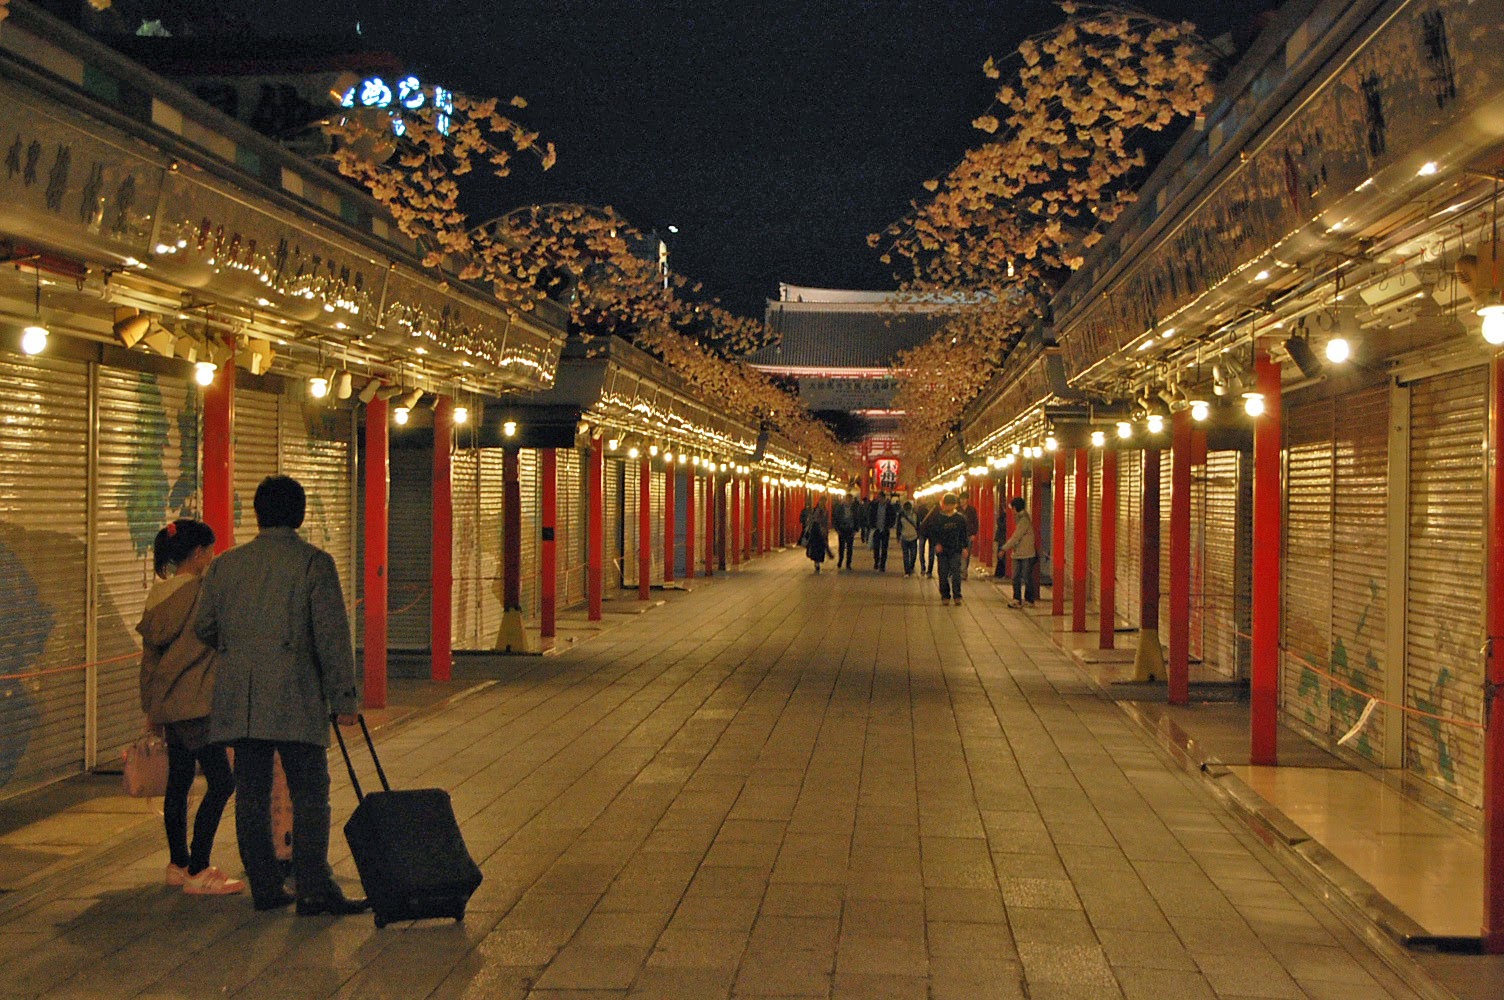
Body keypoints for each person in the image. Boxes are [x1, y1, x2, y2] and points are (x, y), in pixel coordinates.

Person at [194, 475, 368, 916]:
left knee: (251, 793)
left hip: (243, 700)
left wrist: (242, 653)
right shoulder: (313, 563)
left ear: (258, 514)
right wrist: (344, 699)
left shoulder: (226, 566)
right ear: (300, 514)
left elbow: (204, 627)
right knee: (311, 792)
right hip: (296, 695)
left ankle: (266, 888)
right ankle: (313, 885)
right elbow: (331, 636)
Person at [138, 519, 244, 897]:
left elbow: (151, 659)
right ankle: (199, 869)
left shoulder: (158, 597)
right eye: (210, 551)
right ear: (199, 554)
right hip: (196, 703)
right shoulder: (203, 592)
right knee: (222, 782)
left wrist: (151, 705)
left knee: (180, 782)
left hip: (168, 703)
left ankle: (177, 864)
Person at [922, 493, 971, 605]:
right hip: (942, 550)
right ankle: (945, 595)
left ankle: (957, 595)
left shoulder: (960, 519)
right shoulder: (938, 518)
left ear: (955, 505)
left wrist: (965, 547)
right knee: (942, 573)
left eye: (951, 505)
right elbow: (933, 533)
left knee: (956, 572)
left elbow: (964, 534)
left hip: (956, 549)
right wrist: (936, 544)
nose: (948, 507)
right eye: (947, 505)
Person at [999, 496, 1039, 607]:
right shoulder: (1020, 518)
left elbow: (1016, 537)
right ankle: (1018, 599)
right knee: (1016, 576)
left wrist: (1004, 548)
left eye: (1012, 508)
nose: (1011, 511)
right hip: (1018, 553)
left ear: (1015, 507)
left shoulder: (1024, 520)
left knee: (1025, 577)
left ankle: (1028, 599)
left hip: (1026, 554)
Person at [803, 501, 831, 572]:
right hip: (815, 531)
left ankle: (818, 561)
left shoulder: (825, 512)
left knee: (821, 548)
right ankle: (817, 562)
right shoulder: (815, 511)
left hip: (821, 531)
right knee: (816, 547)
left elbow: (826, 521)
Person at [832, 494, 857, 570]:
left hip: (850, 529)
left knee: (850, 547)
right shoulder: (839, 508)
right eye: (848, 499)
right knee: (841, 547)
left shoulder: (854, 508)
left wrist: (855, 529)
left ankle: (848, 563)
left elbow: (857, 518)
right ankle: (840, 560)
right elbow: (836, 518)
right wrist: (837, 529)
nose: (849, 501)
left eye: (850, 500)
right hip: (842, 529)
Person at [870, 492, 894, 572]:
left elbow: (893, 517)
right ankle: (876, 562)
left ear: (884, 498)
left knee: (884, 548)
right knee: (876, 547)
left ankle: (882, 565)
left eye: (879, 497)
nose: (878, 499)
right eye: (878, 497)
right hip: (876, 529)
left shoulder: (889, 507)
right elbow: (870, 515)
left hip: (885, 529)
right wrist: (872, 525)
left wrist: (890, 525)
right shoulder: (874, 506)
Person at [897, 500, 921, 577]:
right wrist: (898, 535)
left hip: (913, 537)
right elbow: (899, 526)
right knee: (906, 555)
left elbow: (918, 525)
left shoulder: (915, 515)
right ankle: (907, 571)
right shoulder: (901, 515)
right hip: (905, 537)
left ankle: (911, 567)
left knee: (913, 555)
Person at [959, 494, 980, 576]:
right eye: (961, 499)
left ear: (967, 500)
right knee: (959, 552)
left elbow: (975, 522)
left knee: (967, 553)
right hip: (959, 534)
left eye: (964, 499)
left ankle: (964, 570)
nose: (962, 501)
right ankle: (961, 571)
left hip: (969, 534)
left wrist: (974, 534)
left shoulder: (972, 510)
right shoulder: (957, 509)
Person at [915, 498, 936, 577]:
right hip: (923, 532)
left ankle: (929, 570)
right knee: (921, 550)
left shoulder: (936, 509)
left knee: (931, 552)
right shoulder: (921, 509)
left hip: (931, 532)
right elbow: (918, 520)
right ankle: (923, 567)